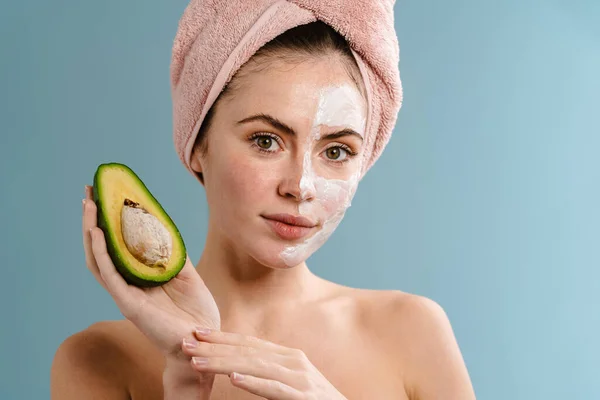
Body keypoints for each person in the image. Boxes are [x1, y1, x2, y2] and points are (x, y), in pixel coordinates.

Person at [51, 2, 476, 399]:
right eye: (266, 140)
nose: (301, 185)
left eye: (336, 151)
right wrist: (185, 380)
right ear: (198, 143)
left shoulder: (413, 332)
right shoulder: (98, 358)